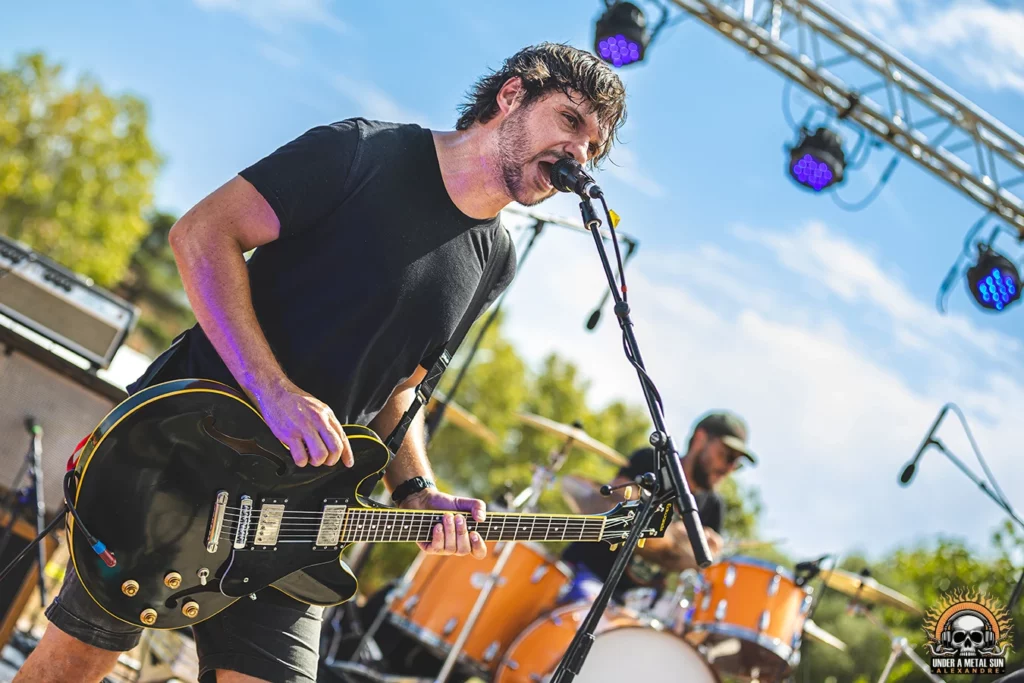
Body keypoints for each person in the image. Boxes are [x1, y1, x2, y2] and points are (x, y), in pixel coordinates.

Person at [16, 43, 627, 683]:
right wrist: (273, 390)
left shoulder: (495, 258)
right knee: (72, 667)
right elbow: (201, 234)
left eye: (595, 145)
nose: (581, 152)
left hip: (299, 520)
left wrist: (416, 490)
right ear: (511, 97)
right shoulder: (362, 151)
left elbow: (400, 388)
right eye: (571, 120)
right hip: (180, 457)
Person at [560, 411, 756, 603]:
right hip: (585, 575)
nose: (729, 468)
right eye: (727, 455)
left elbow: (699, 576)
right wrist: (672, 534)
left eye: (736, 464)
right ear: (700, 439)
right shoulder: (651, 462)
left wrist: (708, 556)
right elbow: (609, 508)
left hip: (636, 604)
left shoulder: (713, 507)